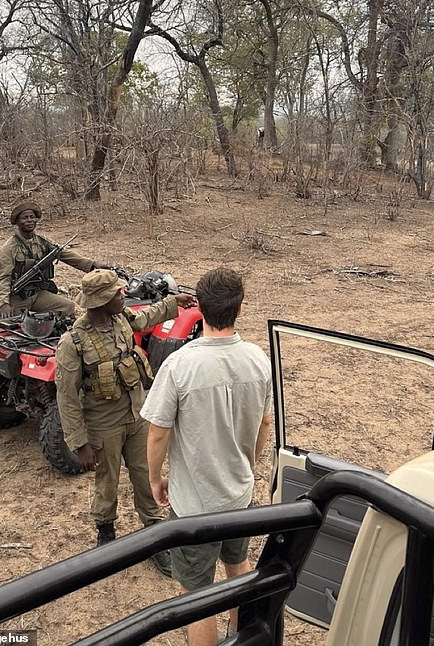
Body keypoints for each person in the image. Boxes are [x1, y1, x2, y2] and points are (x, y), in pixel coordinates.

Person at [141, 267, 272, 646]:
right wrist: (249, 463)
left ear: (199, 309)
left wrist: (155, 478)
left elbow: (158, 432)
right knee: (239, 566)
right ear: (239, 309)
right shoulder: (258, 359)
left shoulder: (180, 365)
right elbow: (264, 423)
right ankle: (240, 635)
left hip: (195, 506)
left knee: (197, 597)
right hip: (239, 495)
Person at [55, 268, 197, 576]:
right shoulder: (73, 343)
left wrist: (175, 303)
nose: (124, 295)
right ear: (102, 300)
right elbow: (66, 397)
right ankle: (106, 532)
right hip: (104, 424)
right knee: (107, 481)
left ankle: (155, 536)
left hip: (136, 415)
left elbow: (145, 318)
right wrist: (78, 443)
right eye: (117, 293)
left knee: (146, 474)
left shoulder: (120, 319)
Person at [0, 201, 105, 318]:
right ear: (17, 222)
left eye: (32, 217)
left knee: (67, 307)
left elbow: (63, 254)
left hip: (38, 294)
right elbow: (3, 278)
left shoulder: (42, 241)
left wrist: (91, 265)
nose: (29, 220)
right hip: (18, 299)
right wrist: (4, 304)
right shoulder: (9, 248)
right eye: (24, 218)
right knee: (14, 327)